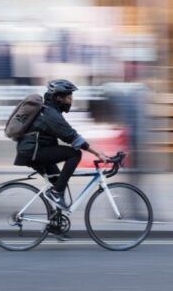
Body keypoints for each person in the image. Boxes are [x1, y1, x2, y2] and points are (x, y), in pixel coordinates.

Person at [14, 79, 109, 212]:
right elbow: (71, 137)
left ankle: (55, 226)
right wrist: (97, 153)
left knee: (59, 183)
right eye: (69, 95)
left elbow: (67, 134)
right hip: (32, 152)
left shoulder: (51, 110)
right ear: (59, 97)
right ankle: (55, 193)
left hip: (34, 151)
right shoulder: (50, 114)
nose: (71, 99)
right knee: (75, 154)